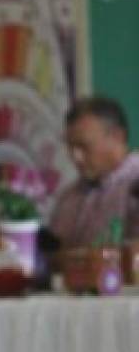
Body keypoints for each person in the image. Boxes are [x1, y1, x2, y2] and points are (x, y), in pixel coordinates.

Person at [49, 96, 139, 247]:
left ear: (117, 137)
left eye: (84, 146)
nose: (76, 157)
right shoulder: (69, 196)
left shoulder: (135, 186)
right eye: (70, 147)